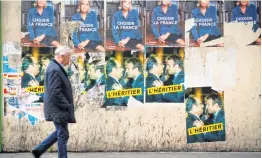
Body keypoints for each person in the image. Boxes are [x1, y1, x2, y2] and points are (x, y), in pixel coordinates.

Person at [31, 46, 76, 158]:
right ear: (62, 56)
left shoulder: (55, 67)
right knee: (63, 134)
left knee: (62, 133)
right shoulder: (54, 69)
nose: (69, 60)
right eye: (68, 57)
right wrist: (66, 104)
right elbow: (55, 92)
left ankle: (39, 149)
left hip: (58, 108)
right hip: (58, 108)